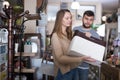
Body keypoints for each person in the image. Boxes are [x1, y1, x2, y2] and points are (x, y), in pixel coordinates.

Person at [51, 9, 95, 80]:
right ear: (60, 19)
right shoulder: (55, 36)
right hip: (63, 72)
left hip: (73, 69)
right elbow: (60, 58)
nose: (70, 20)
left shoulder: (69, 34)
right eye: (67, 18)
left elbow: (74, 50)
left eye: (70, 18)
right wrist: (80, 59)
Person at [73, 10, 101, 79]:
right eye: (86, 19)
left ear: (93, 21)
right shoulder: (75, 29)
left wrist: (91, 38)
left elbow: (97, 52)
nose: (88, 21)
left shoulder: (96, 35)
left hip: (85, 67)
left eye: (91, 20)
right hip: (72, 64)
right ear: (82, 18)